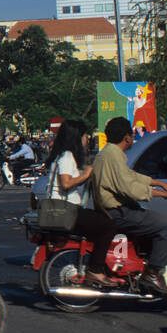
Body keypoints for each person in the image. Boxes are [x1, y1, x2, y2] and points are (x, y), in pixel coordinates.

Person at [91, 117, 167, 296]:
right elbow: (130, 188)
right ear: (128, 137)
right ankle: (152, 273)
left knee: (153, 219)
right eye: (131, 136)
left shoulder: (109, 153)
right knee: (166, 226)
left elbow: (131, 176)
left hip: (113, 210)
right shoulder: (113, 156)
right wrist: (163, 194)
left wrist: (159, 183)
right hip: (117, 212)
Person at [43, 119, 118, 288]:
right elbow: (66, 183)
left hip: (66, 209)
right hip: (67, 211)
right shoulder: (67, 156)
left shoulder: (61, 155)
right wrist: (86, 174)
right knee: (109, 225)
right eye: (85, 136)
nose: (87, 139)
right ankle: (96, 270)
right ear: (76, 137)